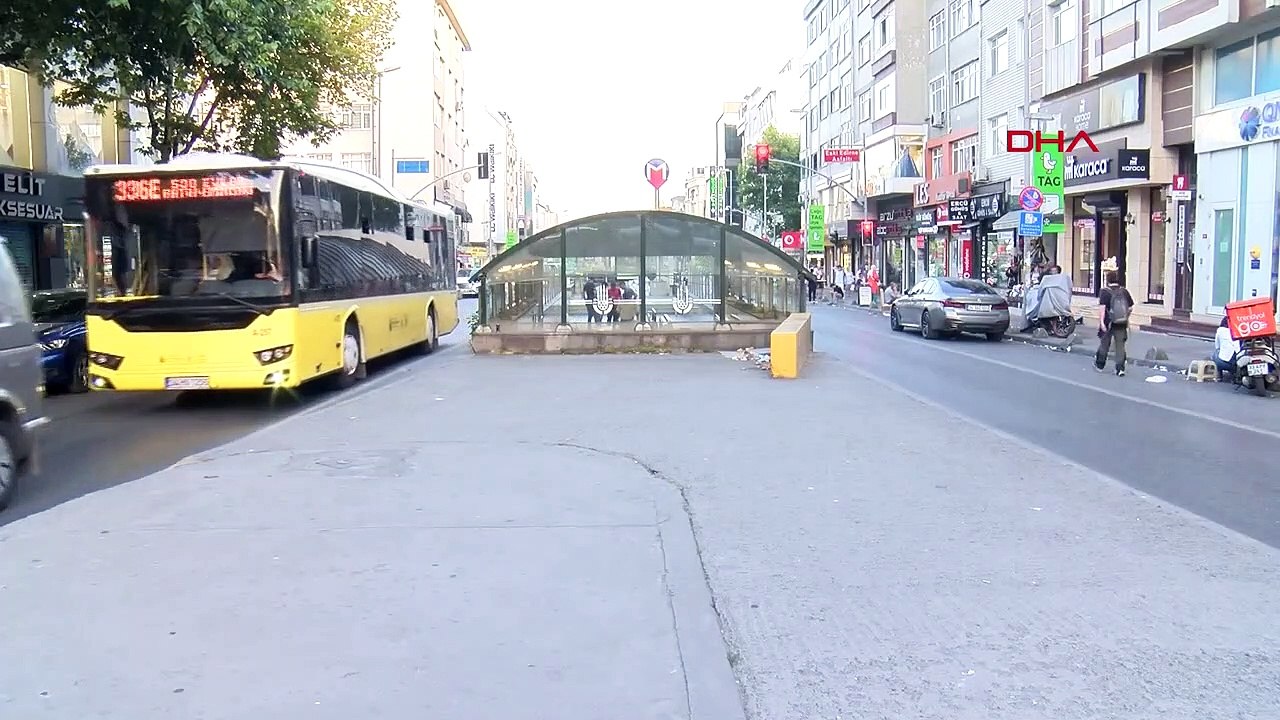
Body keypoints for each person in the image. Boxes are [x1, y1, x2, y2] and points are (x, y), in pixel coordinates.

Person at [1095, 270, 1134, 376]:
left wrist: (1102, 323)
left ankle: (1100, 364)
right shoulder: (1124, 291)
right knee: (1120, 345)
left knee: (1105, 344)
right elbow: (1130, 307)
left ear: (1107, 280)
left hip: (1109, 322)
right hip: (1121, 322)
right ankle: (1120, 368)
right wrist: (1125, 316)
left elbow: (1102, 309)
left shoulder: (1104, 291)